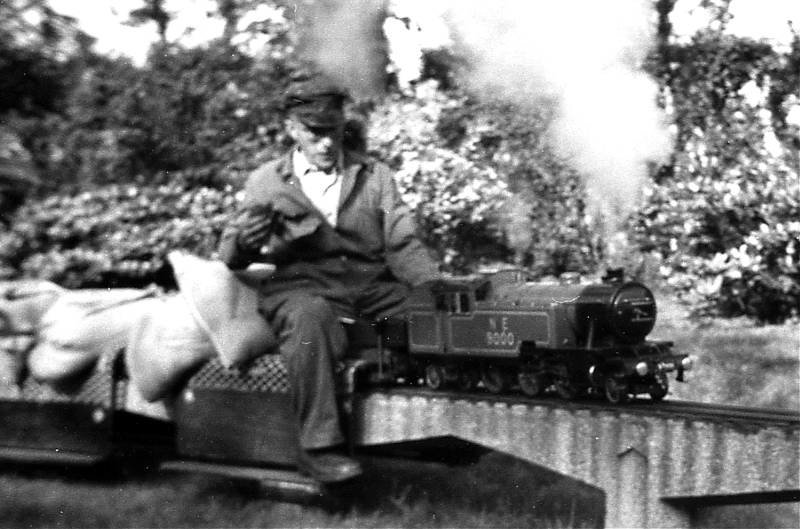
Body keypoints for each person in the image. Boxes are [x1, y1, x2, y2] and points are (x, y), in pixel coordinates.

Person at [217, 66, 439, 483]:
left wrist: (430, 287)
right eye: (314, 132)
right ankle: (318, 448)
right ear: (291, 128)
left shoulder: (374, 176)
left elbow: (402, 242)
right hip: (299, 289)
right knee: (309, 319)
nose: (326, 142)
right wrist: (246, 242)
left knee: (434, 315)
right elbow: (230, 256)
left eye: (333, 131)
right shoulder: (266, 181)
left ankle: (437, 427)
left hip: (368, 288)